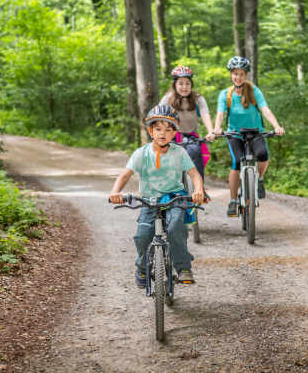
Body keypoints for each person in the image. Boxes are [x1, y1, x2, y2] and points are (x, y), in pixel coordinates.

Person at [109, 103, 204, 287]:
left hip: (174, 197)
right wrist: (116, 191)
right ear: (151, 131)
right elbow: (125, 174)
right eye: (158, 128)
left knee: (176, 227)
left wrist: (198, 190)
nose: (163, 133)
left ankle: (183, 267)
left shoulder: (179, 152)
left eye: (168, 130)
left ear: (174, 133)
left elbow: (194, 174)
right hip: (148, 200)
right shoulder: (141, 153)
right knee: (143, 235)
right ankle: (142, 268)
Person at [213, 56, 284, 217]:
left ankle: (258, 180)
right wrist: (217, 128)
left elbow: (265, 109)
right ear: (231, 74)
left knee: (263, 155)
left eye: (241, 74)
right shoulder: (226, 94)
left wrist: (276, 126)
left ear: (246, 76)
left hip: (255, 131)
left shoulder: (254, 91)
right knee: (236, 162)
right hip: (235, 133)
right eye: (235, 74)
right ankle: (233, 201)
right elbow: (220, 113)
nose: (238, 77)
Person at [161, 65, 215, 189]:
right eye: (181, 84)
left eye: (187, 84)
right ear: (175, 85)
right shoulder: (167, 99)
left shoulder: (198, 99)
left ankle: (199, 188)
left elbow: (205, 114)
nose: (184, 87)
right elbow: (159, 117)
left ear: (191, 85)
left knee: (196, 153)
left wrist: (211, 131)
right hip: (172, 136)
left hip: (191, 135)